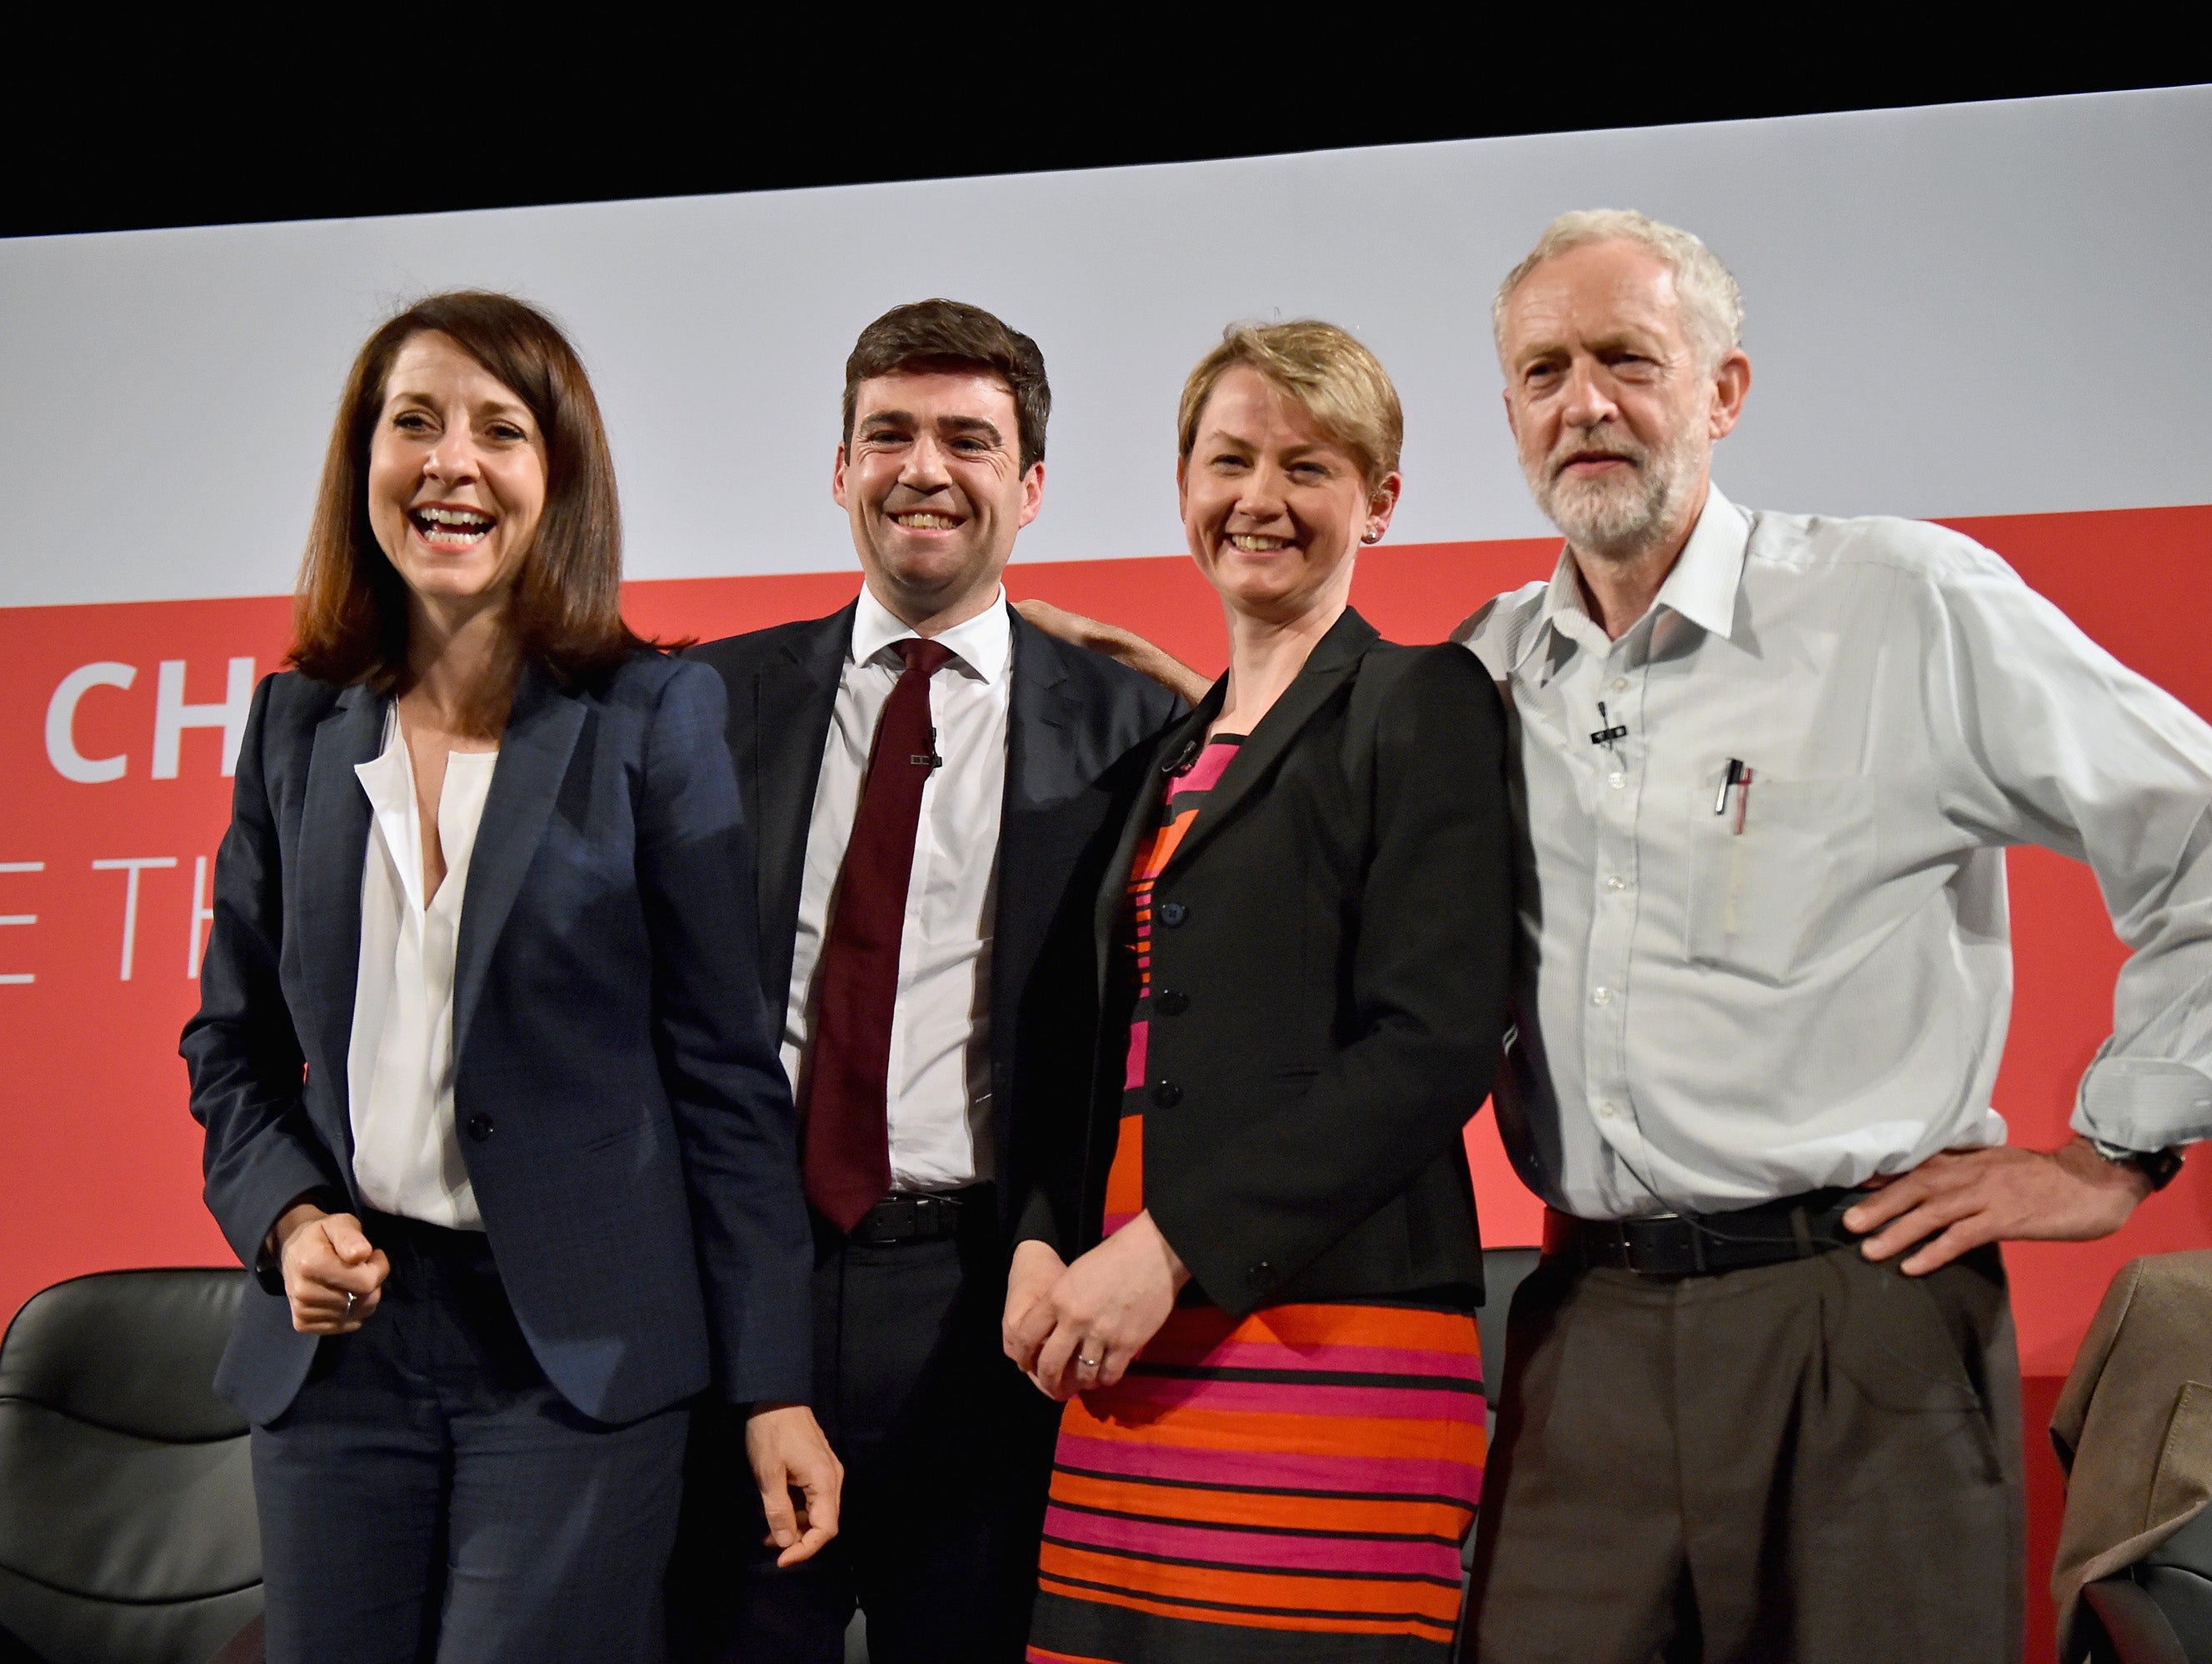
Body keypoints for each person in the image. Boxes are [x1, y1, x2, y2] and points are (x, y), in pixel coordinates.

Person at [1022, 212, 2212, 1664]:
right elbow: (1340, 791)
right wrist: (1200, 710)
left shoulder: (1901, 601)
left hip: (1859, 1317)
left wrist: (2114, 1152)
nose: (1584, 403)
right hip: (1589, 1324)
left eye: (1628, 360)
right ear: (1510, 410)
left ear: (1723, 391)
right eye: (1542, 370)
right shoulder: (1493, 662)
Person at [182, 291, 839, 1664]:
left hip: (575, 1364)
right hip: (339, 1363)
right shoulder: (295, 721)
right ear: (363, 460)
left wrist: (773, 1384)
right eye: (412, 423)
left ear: (559, 479)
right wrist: (291, 1216)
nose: (452, 464)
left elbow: (725, 1075)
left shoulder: (654, 717)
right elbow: (230, 1045)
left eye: (501, 429)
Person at [664, 299, 1190, 1664]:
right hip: (742, 1297)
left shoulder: (1133, 728)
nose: (923, 467)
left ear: (1029, 485)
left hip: (993, 1306)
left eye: (969, 438)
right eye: (887, 433)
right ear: (839, 468)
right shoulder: (700, 705)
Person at [1003, 320, 1514, 1664]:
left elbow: (1437, 1037)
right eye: (1229, 459)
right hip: (1120, 1347)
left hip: (1329, 1342)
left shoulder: (1425, 699)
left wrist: (1163, 1249)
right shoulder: (1160, 749)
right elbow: (1089, 1038)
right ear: (1184, 488)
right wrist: (1042, 1241)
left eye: (1310, 465)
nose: (1261, 499)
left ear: (1380, 502)